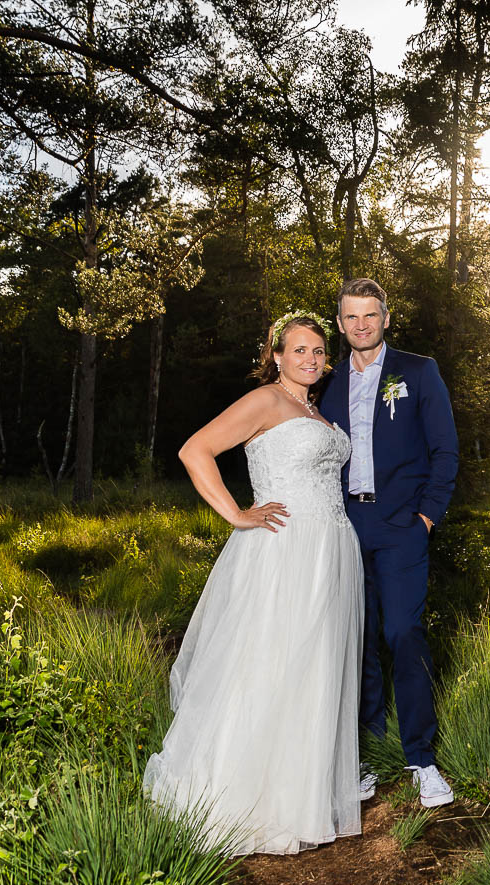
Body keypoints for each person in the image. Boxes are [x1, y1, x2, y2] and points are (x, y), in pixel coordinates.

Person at [142, 312, 363, 855]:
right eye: (298, 350)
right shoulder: (265, 401)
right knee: (266, 663)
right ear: (277, 355)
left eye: (317, 351)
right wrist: (236, 514)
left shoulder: (316, 410)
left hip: (330, 550)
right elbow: (194, 451)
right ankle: (234, 795)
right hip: (283, 550)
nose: (310, 359)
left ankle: (297, 794)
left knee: (312, 670)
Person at [318, 278, 459, 808]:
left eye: (369, 316)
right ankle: (365, 752)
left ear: (386, 317)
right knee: (357, 639)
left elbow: (445, 450)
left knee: (403, 633)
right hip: (345, 524)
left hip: (402, 524)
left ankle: (421, 758)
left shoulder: (419, 371)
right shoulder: (326, 382)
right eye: (351, 317)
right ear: (340, 323)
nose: (361, 325)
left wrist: (426, 517)